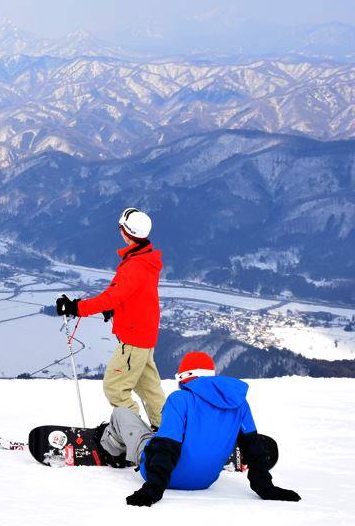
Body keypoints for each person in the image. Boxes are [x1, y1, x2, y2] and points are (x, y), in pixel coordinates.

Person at [97, 351, 301, 507]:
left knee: (122, 413)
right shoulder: (240, 404)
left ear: (184, 377)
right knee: (165, 436)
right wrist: (266, 488)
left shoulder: (180, 399)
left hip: (165, 477)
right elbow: (254, 448)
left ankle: (110, 446)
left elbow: (167, 445)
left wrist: (153, 489)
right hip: (205, 480)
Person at [57, 207, 165, 428]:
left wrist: (75, 308)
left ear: (127, 232)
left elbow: (111, 297)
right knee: (150, 390)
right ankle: (168, 431)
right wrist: (117, 309)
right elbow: (138, 295)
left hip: (134, 337)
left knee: (115, 388)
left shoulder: (135, 265)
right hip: (144, 333)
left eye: (121, 228)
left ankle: (134, 434)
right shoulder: (146, 259)